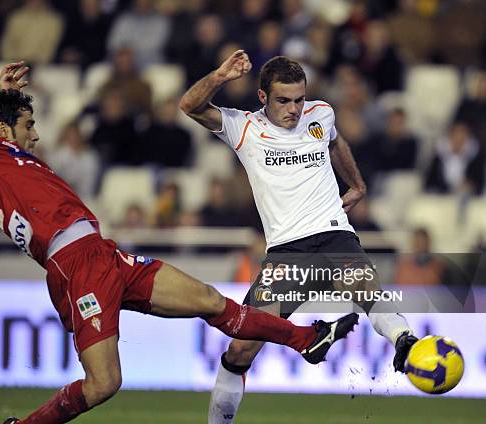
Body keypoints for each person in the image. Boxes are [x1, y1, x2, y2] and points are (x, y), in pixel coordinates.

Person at [0, 19, 359, 424]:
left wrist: (7, 94)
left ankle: (305, 339)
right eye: (27, 126)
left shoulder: (3, 154)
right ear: (0, 133)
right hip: (74, 264)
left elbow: (3, 132)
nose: (35, 135)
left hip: (104, 252)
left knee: (209, 300)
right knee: (104, 384)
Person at [179, 51, 418, 424]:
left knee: (365, 288)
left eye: (299, 99)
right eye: (283, 101)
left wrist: (355, 184)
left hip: (332, 233)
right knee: (241, 349)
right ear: (263, 98)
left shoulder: (320, 113)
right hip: (286, 255)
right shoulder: (242, 127)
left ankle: (405, 339)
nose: (294, 109)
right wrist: (220, 76)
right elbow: (190, 105)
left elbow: (336, 144)